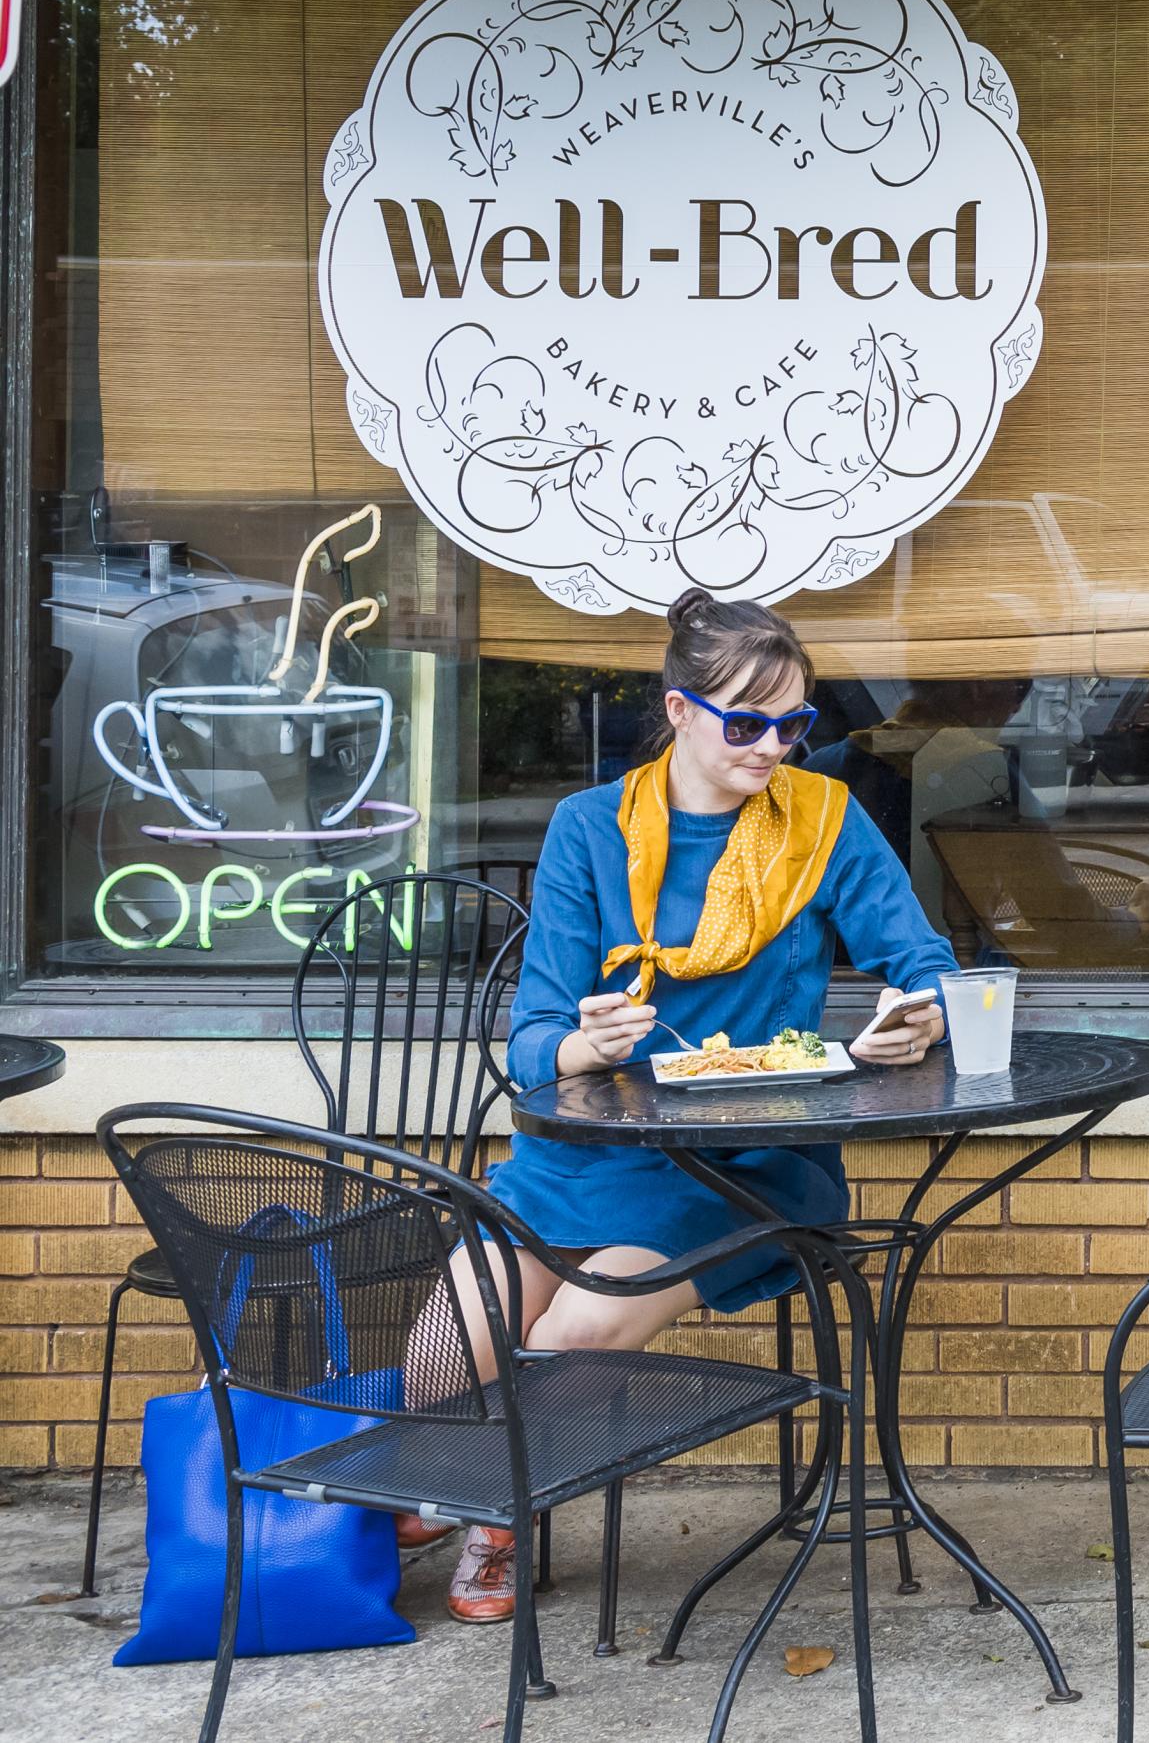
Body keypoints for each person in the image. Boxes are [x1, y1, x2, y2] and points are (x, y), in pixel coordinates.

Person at [447, 591, 954, 1624]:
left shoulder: (822, 820)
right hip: (587, 1150)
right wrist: (584, 1044)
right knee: (448, 1344)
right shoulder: (589, 827)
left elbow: (927, 964)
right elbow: (531, 1036)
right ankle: (439, 1484)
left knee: (583, 1325)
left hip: (748, 1162)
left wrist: (922, 1016)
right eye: (747, 721)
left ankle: (492, 1512)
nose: (772, 747)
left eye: (793, 723)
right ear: (679, 709)